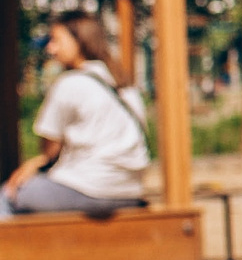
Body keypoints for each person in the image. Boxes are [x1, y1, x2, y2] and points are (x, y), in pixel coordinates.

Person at [2, 13, 150, 217]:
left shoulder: (70, 84)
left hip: (87, 188)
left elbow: (49, 151)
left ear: (80, 41)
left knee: (8, 195)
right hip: (130, 190)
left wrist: (32, 165)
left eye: (56, 40)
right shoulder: (125, 86)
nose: (50, 48)